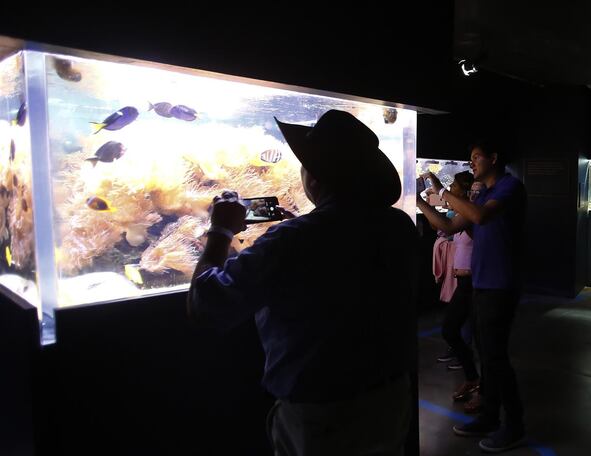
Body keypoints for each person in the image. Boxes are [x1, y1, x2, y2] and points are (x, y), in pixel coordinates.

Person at [187, 110, 418, 456]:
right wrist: (301, 228)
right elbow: (346, 261)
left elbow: (206, 306)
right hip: (391, 399)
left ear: (315, 178)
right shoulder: (399, 225)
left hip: (323, 418)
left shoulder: (293, 240)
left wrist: (220, 229)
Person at [417, 140, 527, 453]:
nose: (472, 163)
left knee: (495, 357)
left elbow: (480, 217)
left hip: (500, 285)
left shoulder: (510, 187)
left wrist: (442, 192)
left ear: (494, 158)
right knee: (487, 356)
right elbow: (449, 224)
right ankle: (489, 417)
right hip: (481, 284)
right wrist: (419, 203)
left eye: (477, 157)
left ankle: (514, 426)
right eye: (470, 158)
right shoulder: (483, 194)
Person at [420, 171, 482, 410]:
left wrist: (419, 202)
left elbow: (445, 225)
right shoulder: (462, 211)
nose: (451, 188)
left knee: (477, 337)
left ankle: (482, 388)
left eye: (454, 185)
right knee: (451, 329)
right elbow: (442, 222)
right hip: (464, 283)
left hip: (474, 283)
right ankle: (473, 378)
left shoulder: (469, 214)